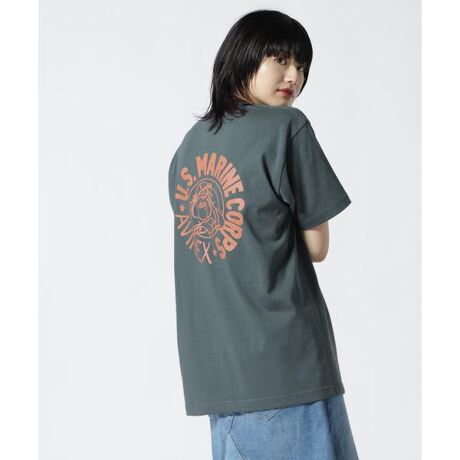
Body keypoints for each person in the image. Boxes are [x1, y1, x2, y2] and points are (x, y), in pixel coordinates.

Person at [168, 9, 359, 460]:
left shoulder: (189, 145)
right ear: (245, 57)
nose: (294, 76)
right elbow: (317, 246)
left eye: (302, 66)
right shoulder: (287, 128)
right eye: (281, 60)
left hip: (218, 382)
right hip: (287, 370)